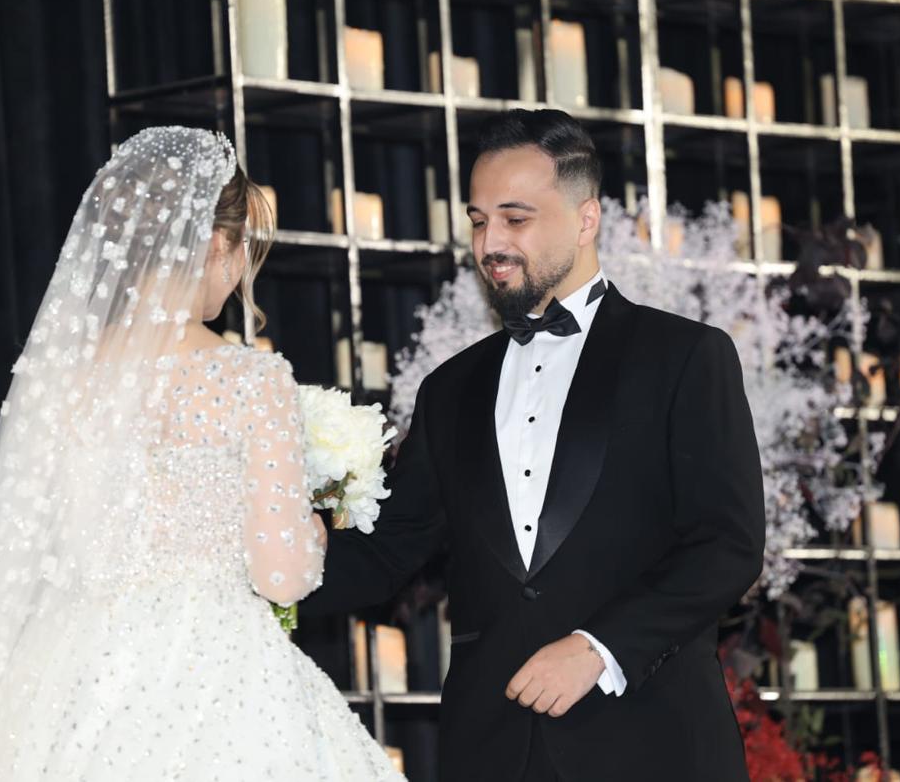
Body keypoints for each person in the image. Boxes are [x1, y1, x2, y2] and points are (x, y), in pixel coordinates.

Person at [0, 126, 403, 781]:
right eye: (241, 252)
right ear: (216, 244)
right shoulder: (250, 379)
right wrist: (312, 528)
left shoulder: (61, 380)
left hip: (68, 669)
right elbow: (280, 576)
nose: (237, 276)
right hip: (213, 668)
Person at [300, 109, 766, 781]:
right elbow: (388, 550)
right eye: (478, 221)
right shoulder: (449, 389)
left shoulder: (686, 356)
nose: (490, 243)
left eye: (515, 219)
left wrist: (598, 648)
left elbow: (727, 544)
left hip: (653, 743)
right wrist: (265, 561)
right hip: (491, 747)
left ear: (586, 219)